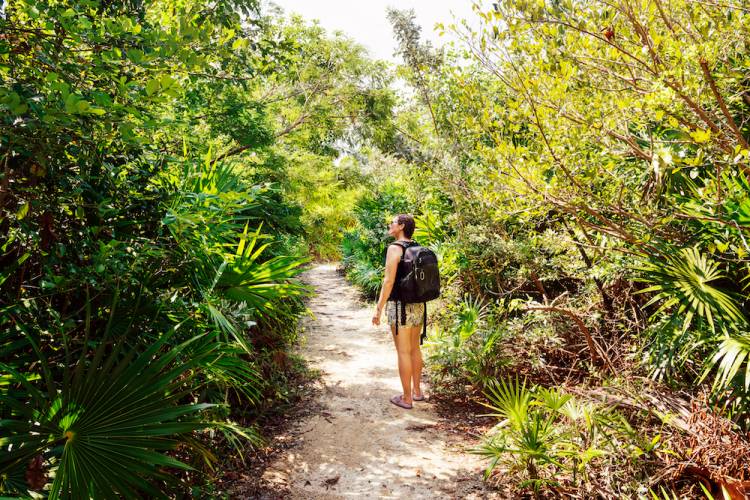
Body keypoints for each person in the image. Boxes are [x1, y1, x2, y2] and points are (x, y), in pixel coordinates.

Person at [371, 214, 426, 410]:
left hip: (399, 306)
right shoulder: (417, 246)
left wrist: (378, 308)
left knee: (403, 351)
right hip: (418, 305)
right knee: (414, 349)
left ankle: (406, 398)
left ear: (401, 226)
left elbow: (388, 281)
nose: (389, 224)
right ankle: (417, 392)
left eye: (392, 222)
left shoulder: (395, 248)